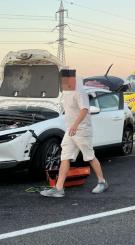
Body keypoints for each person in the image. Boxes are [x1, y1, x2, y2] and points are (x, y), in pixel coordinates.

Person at [41, 69, 107, 198]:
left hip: (82, 129)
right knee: (65, 157)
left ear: (71, 79)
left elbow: (84, 110)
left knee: (89, 156)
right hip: (70, 130)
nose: (62, 83)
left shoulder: (80, 91)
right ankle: (59, 188)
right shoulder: (66, 91)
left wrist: (76, 125)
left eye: (64, 80)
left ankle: (102, 182)